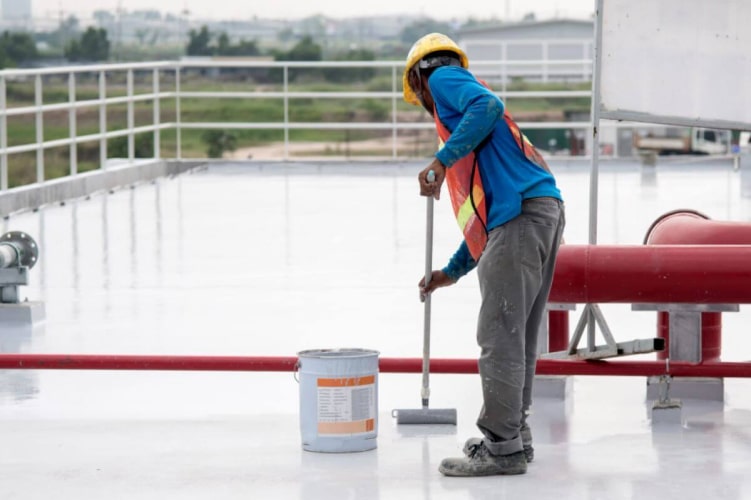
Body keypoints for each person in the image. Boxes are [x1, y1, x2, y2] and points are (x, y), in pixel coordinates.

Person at [403, 33, 566, 477]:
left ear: (418, 78)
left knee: (499, 335)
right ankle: (515, 436)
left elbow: (487, 104)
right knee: (518, 336)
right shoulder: (477, 142)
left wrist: (441, 160)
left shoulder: (442, 78)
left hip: (523, 219)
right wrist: (450, 272)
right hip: (538, 213)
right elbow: (487, 224)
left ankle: (502, 448)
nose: (425, 102)